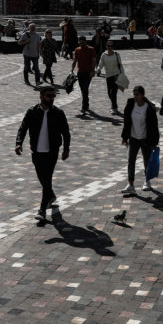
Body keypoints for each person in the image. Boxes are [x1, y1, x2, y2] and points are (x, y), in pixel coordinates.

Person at [15, 84, 71, 222]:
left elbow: (66, 133)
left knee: (47, 178)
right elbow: (23, 128)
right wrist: (18, 143)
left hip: (52, 152)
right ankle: (50, 195)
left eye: (53, 96)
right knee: (43, 178)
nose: (52, 98)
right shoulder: (32, 111)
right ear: (41, 97)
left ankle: (42, 210)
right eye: (49, 96)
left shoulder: (58, 113)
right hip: (37, 151)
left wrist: (66, 149)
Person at [120, 85, 160, 194]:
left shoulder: (149, 108)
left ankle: (147, 182)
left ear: (142, 95)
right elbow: (127, 122)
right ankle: (131, 184)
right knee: (131, 160)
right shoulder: (131, 104)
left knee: (147, 160)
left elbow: (154, 126)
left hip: (145, 139)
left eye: (137, 94)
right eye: (134, 94)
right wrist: (124, 137)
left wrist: (154, 142)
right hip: (133, 138)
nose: (135, 97)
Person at [96, 40, 126, 113]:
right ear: (106, 46)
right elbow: (100, 65)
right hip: (108, 76)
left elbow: (120, 64)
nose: (110, 47)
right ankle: (114, 104)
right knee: (109, 93)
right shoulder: (103, 55)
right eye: (108, 46)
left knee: (113, 92)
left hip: (116, 75)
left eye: (111, 46)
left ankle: (114, 107)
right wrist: (96, 71)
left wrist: (122, 74)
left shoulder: (116, 54)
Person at [70, 35, 97, 114]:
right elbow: (75, 61)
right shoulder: (77, 50)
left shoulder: (91, 49)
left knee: (85, 88)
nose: (81, 44)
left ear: (85, 42)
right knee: (83, 90)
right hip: (80, 72)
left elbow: (94, 60)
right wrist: (71, 69)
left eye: (82, 43)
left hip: (88, 72)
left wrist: (93, 71)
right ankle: (86, 103)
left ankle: (84, 107)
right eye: (79, 43)